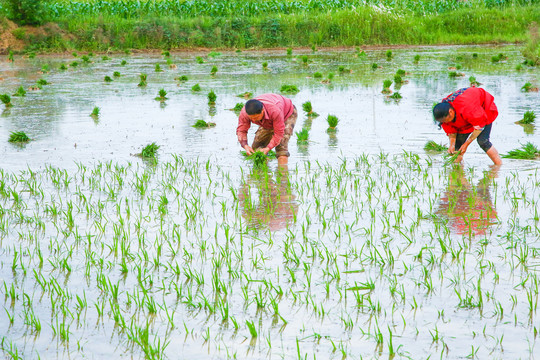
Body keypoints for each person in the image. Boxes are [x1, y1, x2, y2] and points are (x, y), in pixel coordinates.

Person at [432, 87, 502, 165]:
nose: (445, 123)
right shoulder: (444, 114)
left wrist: (467, 144)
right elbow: (451, 131)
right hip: (465, 115)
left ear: (451, 112)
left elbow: (479, 127)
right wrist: (451, 145)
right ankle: (457, 171)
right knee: (457, 146)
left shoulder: (467, 108)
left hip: (484, 109)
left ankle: (498, 166)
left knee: (483, 141)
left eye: (445, 121)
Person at [236, 93, 297, 165]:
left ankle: (282, 174)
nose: (254, 120)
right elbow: (241, 130)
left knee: (281, 148)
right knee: (257, 148)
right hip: (268, 120)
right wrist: (245, 145)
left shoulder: (274, 110)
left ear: (262, 111)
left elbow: (278, 133)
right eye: (251, 118)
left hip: (287, 114)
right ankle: (262, 172)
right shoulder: (244, 113)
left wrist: (268, 148)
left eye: (256, 117)